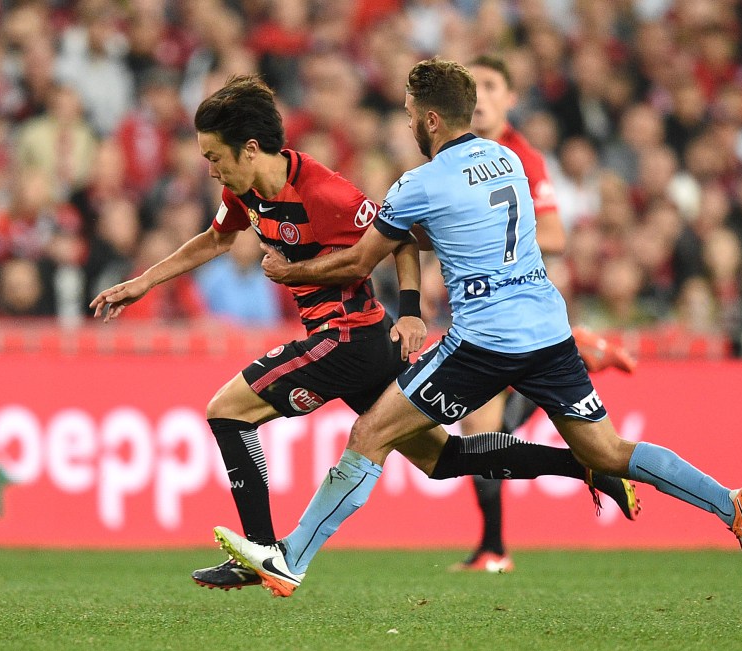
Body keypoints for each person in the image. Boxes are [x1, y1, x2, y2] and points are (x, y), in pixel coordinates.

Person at [214, 58, 742, 597]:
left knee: (370, 436)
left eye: (412, 113)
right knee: (608, 452)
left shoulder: (420, 183)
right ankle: (729, 503)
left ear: (431, 119)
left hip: (484, 341)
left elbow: (360, 261)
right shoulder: (504, 159)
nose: (409, 122)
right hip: (548, 330)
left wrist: (292, 270)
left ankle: (290, 559)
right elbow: (463, 230)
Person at [91, 75, 640, 593]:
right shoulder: (249, 192)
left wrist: (408, 310)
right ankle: (588, 465)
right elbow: (212, 240)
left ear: (250, 149)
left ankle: (261, 552)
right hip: (356, 346)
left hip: (348, 337)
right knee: (442, 459)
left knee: (226, 409)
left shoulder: (326, 194)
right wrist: (141, 283)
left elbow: (399, 238)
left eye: (214, 156)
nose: (211, 169)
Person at [452, 54, 638, 574]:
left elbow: (555, 234)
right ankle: (494, 546)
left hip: (515, 311)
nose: (480, 95)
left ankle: (494, 547)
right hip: (481, 309)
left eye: (491, 84)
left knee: (481, 429)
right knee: (482, 431)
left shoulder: (523, 157)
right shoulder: (454, 154)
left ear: (510, 98)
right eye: (472, 86)